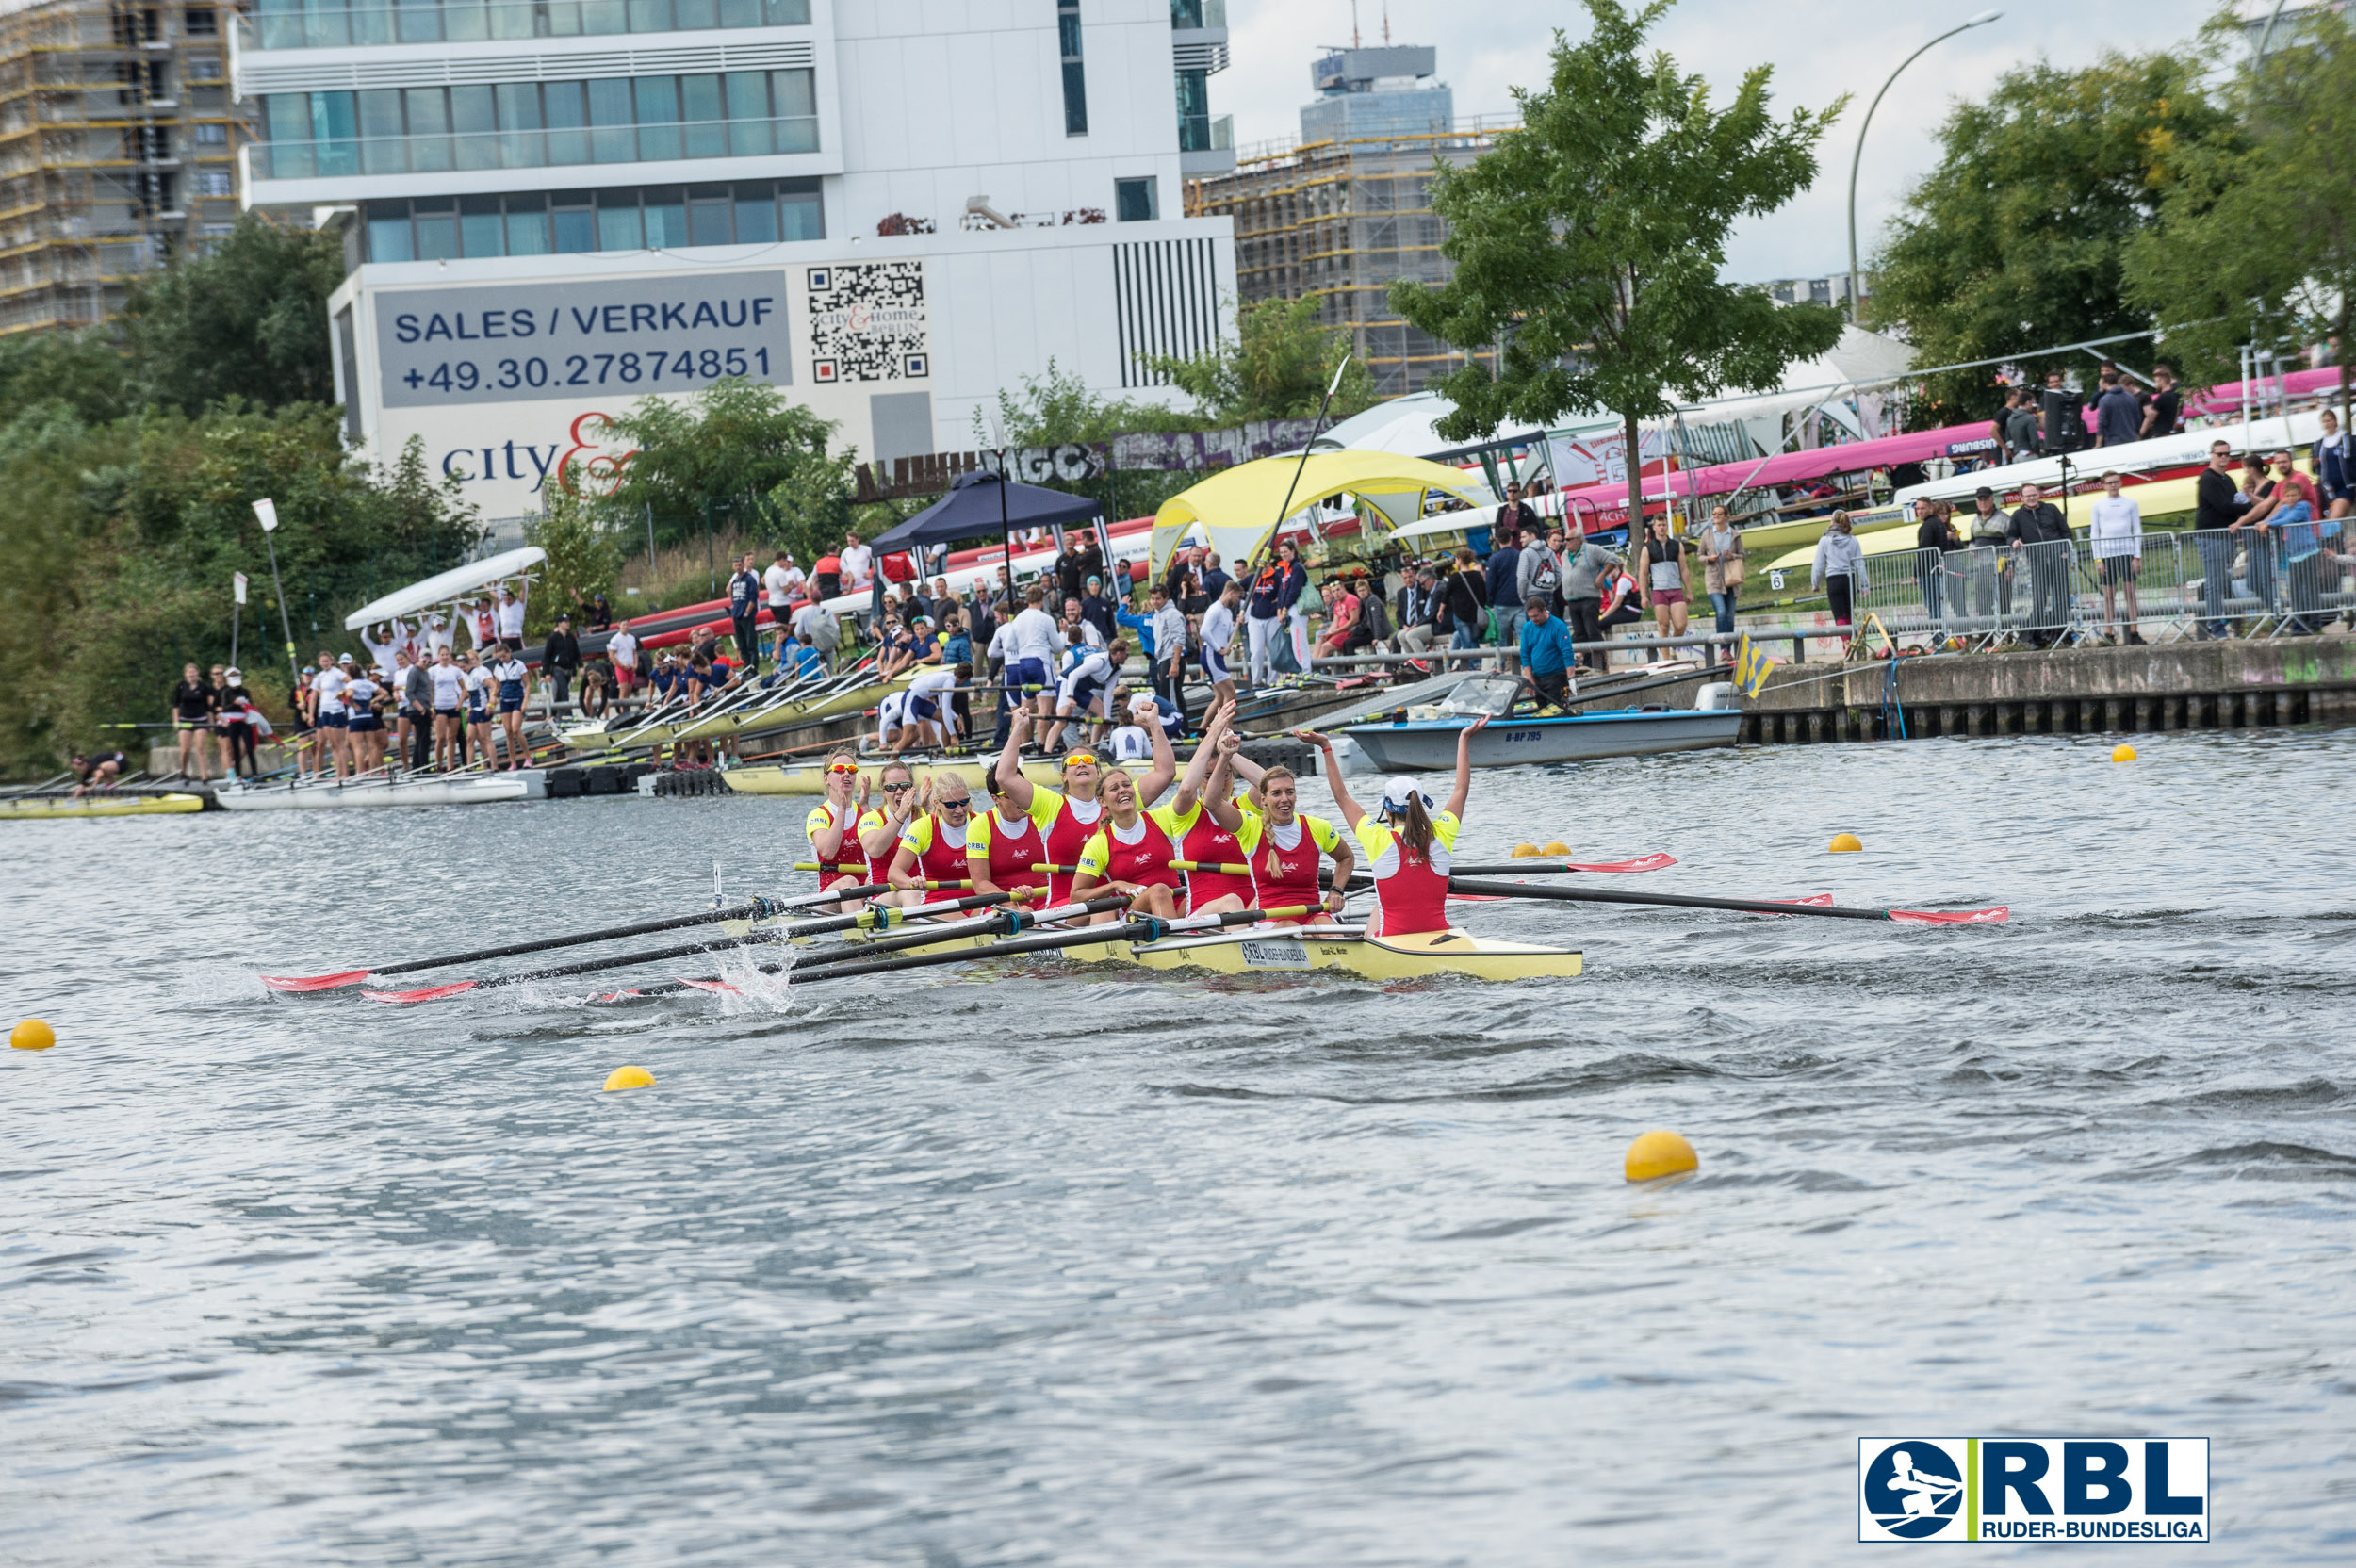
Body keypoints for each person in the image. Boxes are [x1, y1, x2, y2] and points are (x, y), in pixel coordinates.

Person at [1304, 714, 1488, 938]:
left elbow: (1341, 797)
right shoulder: (1442, 833)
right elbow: (1461, 790)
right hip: (1441, 937)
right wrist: (1464, 739)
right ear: (1421, 806)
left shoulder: (1378, 838)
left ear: (1388, 812)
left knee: (1379, 904)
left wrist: (1326, 746)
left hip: (1392, 942)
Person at [993, 705, 1173, 907]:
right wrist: (1018, 728)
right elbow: (1004, 776)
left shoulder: (1118, 797)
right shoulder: (1050, 805)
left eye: (1088, 760)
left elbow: (1165, 772)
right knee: (1103, 911)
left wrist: (1154, 723)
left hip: (1116, 903)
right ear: (1064, 776)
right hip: (1066, 906)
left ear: (1098, 772)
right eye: (1073, 762)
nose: (1081, 764)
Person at [1200, 740, 1354, 927]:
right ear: (1263, 799)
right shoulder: (1250, 827)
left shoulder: (1317, 827)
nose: (1285, 799)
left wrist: (1336, 890)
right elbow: (1212, 802)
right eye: (1276, 793)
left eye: (1290, 792)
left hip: (1312, 913)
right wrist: (1225, 756)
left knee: (1331, 932)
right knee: (1291, 927)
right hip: (1270, 919)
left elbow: (1346, 857)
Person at [886, 773, 985, 910]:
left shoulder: (981, 823)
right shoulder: (923, 827)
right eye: (951, 805)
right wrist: (911, 882)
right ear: (936, 803)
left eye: (964, 803)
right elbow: (894, 872)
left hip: (978, 901)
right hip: (938, 903)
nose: (959, 810)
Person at [805, 754, 884, 910]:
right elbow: (827, 852)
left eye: (852, 770)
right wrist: (842, 808)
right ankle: (859, 931)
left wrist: (866, 810)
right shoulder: (819, 815)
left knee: (873, 880)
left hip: (864, 894)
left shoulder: (868, 813)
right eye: (840, 770)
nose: (846, 774)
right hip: (829, 900)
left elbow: (882, 855)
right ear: (826, 778)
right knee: (849, 881)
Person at [2004, 483, 2072, 646]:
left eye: (2033, 494)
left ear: (2038, 494)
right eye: (2027, 496)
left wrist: (2066, 552)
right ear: (2022, 497)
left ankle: (2061, 636)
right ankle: (2038, 638)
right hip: (2037, 562)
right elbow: (2010, 535)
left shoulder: (2052, 509)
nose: (2031, 498)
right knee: (2039, 600)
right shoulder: (2018, 515)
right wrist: (2014, 541)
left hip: (2058, 559)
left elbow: (2066, 532)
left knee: (2062, 599)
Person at [2087, 471, 2145, 645]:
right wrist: (2098, 559)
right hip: (2107, 553)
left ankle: (2134, 631)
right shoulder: (2098, 505)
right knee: (2108, 594)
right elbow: (2094, 532)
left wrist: (2137, 556)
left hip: (2126, 552)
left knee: (2130, 593)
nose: (2113, 485)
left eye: (2115, 482)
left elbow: (2137, 529)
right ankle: (2109, 632)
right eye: (2109, 483)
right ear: (2103, 485)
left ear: (2120, 483)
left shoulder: (2130, 503)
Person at [1044, 637, 1128, 754]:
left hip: (1081, 689)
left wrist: (1107, 719)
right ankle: (1047, 752)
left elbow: (1109, 694)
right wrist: (1069, 696)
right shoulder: (1099, 661)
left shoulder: (1117, 668)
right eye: (1127, 653)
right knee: (1062, 719)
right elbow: (1073, 675)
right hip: (1067, 683)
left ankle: (1094, 749)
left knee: (1102, 713)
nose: (1127, 656)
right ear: (1119, 653)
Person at [1245, 539, 1306, 687]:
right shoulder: (1253, 578)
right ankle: (1256, 681)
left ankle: (1272, 681)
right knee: (1257, 651)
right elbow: (1237, 588)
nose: (1263, 567)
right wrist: (1246, 598)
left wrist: (1280, 604)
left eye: (1266, 564)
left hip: (1272, 617)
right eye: (1261, 564)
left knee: (1273, 650)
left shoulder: (1277, 576)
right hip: (1255, 618)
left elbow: (1285, 588)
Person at [1635, 515, 1693, 641]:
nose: (1661, 527)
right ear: (1654, 527)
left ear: (1667, 526)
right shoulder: (1648, 548)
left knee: (1681, 624)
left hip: (1676, 588)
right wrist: (1644, 596)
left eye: (1664, 525)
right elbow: (1643, 574)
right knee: (1664, 625)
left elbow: (1684, 569)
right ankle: (1666, 657)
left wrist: (1689, 591)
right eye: (1659, 525)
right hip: (1659, 590)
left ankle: (1673, 645)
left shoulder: (1677, 546)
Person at [1517, 596, 1580, 710]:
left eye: (1536, 616)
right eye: (1531, 617)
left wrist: (1571, 677)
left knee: (1557, 710)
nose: (1534, 620)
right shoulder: (1528, 627)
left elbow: (1567, 652)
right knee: (1541, 710)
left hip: (1556, 676)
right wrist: (1530, 678)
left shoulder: (1558, 626)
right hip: (1538, 677)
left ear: (1544, 610)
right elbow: (1525, 654)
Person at [1697, 505, 1744, 654]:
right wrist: (1709, 558)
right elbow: (1699, 555)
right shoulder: (1708, 534)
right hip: (1714, 579)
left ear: (1726, 516)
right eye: (1714, 513)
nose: (1716, 516)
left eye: (1719, 514)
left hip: (1731, 578)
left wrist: (1733, 556)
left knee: (1730, 616)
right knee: (1721, 612)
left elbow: (1742, 555)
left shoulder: (1734, 534)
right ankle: (1723, 648)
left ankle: (1728, 649)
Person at [1810, 511, 1866, 636]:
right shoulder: (1853, 540)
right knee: (1849, 614)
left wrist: (1815, 584)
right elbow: (1860, 564)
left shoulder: (1825, 540)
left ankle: (1846, 644)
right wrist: (1864, 585)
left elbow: (1818, 565)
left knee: (1839, 616)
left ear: (1833, 522)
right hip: (1849, 580)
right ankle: (1850, 644)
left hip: (1833, 580)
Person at [1966, 485, 2012, 626]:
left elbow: (2011, 543)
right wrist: (1971, 548)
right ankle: (1987, 639)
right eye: (1980, 500)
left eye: (1986, 499)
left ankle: (2006, 636)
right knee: (1982, 604)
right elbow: (1972, 540)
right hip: (1981, 568)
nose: (1983, 503)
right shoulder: (1975, 521)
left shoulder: (2004, 519)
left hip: (2000, 567)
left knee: (2004, 603)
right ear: (1976, 502)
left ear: (1993, 500)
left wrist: (2010, 566)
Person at [1914, 499, 1963, 626]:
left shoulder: (1942, 527)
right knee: (1936, 604)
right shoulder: (1936, 525)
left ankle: (1940, 637)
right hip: (1939, 569)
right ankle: (1942, 636)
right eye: (1941, 513)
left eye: (1947, 513)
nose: (1945, 516)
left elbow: (1923, 550)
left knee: (1945, 604)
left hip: (1941, 569)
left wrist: (1955, 539)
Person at [1198, 576, 1241, 711]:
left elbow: (1228, 634)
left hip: (1216, 657)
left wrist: (1238, 623)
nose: (1238, 601)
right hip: (1211, 656)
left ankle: (1202, 729)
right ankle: (1226, 729)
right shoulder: (1215, 609)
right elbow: (1204, 631)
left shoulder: (1227, 612)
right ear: (1231, 593)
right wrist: (1219, 649)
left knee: (1220, 698)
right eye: (1238, 597)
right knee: (1230, 694)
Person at [171, 662, 216, 782]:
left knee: (200, 748)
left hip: (200, 720)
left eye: (194, 672)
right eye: (189, 672)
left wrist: (211, 723)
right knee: (185, 749)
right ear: (186, 674)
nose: (192, 674)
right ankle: (183, 772)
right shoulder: (181, 686)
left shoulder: (203, 687)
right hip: (185, 720)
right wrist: (176, 721)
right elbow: (175, 706)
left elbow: (208, 707)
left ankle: (204, 775)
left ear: (197, 673)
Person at [311, 652, 352, 781]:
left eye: (327, 661)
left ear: (331, 661)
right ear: (320, 663)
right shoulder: (321, 676)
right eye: (323, 661)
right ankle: (338, 773)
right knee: (333, 744)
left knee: (339, 744)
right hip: (325, 711)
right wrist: (311, 714)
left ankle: (345, 773)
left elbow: (350, 682)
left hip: (336, 710)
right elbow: (314, 693)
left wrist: (342, 693)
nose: (325, 663)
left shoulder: (336, 673)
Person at [216, 666, 263, 777]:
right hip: (233, 722)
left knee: (249, 747)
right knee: (235, 748)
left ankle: (255, 773)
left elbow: (251, 706)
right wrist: (235, 703)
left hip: (244, 722)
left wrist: (246, 707)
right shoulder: (226, 692)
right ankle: (238, 775)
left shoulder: (245, 691)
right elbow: (224, 708)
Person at [1484, 526, 1523, 660]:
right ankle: (1528, 665)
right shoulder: (1519, 555)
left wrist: (1490, 601)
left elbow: (1490, 583)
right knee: (1523, 638)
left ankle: (1501, 666)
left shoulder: (1494, 559)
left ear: (1496, 540)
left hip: (1501, 603)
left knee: (1500, 640)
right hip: (1519, 601)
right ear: (1511, 539)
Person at [1444, 546, 1490, 654]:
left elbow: (1446, 596)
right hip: (1476, 615)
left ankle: (1470, 666)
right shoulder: (1477, 576)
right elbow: (1484, 595)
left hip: (1461, 615)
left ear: (1459, 559)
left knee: (1466, 641)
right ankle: (1476, 663)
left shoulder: (1454, 577)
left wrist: (1441, 611)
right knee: (1474, 640)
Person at [427, 646, 466, 770]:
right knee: (441, 737)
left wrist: (460, 703)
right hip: (439, 705)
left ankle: (450, 765)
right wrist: (431, 706)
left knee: (452, 737)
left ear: (450, 656)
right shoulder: (433, 670)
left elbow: (464, 688)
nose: (444, 657)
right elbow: (430, 690)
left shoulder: (455, 670)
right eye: (442, 655)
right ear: (439, 656)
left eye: (446, 655)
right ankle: (438, 764)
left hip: (453, 705)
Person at [343, 664, 387, 773]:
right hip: (368, 716)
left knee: (358, 747)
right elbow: (384, 693)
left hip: (356, 717)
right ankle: (372, 772)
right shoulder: (368, 683)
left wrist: (353, 704)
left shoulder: (351, 684)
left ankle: (360, 773)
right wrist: (372, 701)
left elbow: (349, 695)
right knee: (371, 746)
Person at [460, 648, 495, 767]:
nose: (462, 670)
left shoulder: (479, 673)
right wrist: (469, 706)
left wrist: (490, 704)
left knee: (486, 739)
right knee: (469, 738)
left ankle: (493, 766)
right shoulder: (467, 676)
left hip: (482, 709)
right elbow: (472, 694)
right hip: (474, 709)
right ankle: (469, 767)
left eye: (463, 667)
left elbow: (493, 686)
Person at [728, 552, 762, 669]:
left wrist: (747, 612)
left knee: (750, 642)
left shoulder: (750, 579)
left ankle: (753, 667)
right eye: (736, 566)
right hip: (737, 614)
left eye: (740, 565)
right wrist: (734, 608)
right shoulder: (735, 580)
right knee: (741, 644)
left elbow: (753, 597)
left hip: (746, 615)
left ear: (743, 565)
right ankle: (746, 666)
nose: (738, 567)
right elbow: (731, 593)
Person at [2092, 371, 2143, 448]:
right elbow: (2138, 419)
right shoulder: (2131, 398)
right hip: (2132, 440)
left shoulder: (2104, 400)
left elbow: (2102, 423)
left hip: (2113, 443)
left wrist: (2098, 444)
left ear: (2105, 384)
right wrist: (2138, 436)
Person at [543, 614, 581, 708]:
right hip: (557, 668)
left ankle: (558, 714)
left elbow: (575, 654)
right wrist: (546, 672)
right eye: (566, 621)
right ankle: (568, 714)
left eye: (569, 621)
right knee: (563, 690)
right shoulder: (553, 638)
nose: (568, 623)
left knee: (561, 693)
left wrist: (577, 669)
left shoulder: (571, 638)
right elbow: (547, 655)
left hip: (568, 669)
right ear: (559, 624)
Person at [2141, 364, 2182, 440]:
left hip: (2160, 434)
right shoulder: (2173, 395)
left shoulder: (2163, 397)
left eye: (2156, 381)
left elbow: (2151, 417)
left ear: (2162, 380)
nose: (2155, 384)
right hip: (2169, 431)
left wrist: (2144, 405)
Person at [494, 584, 528, 651]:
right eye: (505, 599)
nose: (507, 601)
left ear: (513, 598)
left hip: (516, 637)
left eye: (509, 599)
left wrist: (523, 578)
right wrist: (497, 583)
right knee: (504, 656)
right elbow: (496, 596)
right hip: (505, 637)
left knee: (518, 655)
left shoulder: (519, 604)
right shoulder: (501, 605)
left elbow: (523, 591)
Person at [839, 531, 874, 595]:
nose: (850, 543)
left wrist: (871, 573)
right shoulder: (845, 552)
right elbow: (842, 566)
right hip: (852, 586)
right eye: (848, 541)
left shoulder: (867, 550)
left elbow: (877, 560)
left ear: (858, 539)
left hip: (865, 584)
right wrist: (844, 574)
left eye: (852, 541)